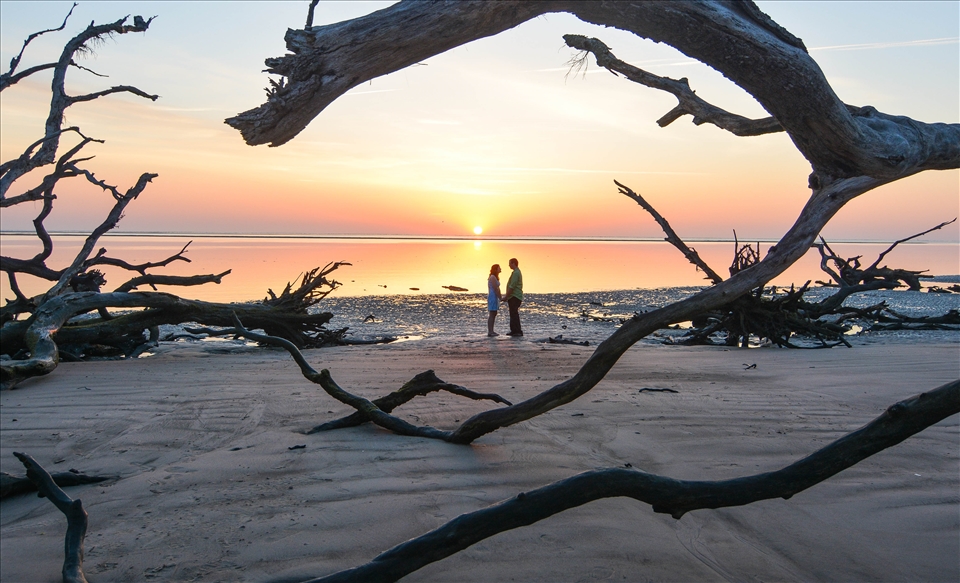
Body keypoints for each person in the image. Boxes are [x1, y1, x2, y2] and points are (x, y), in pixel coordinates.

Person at [504, 257, 523, 336]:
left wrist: (506, 296)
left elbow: (512, 286)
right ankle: (515, 330)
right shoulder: (516, 272)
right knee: (513, 313)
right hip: (514, 296)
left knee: (514, 313)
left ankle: (516, 331)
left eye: (510, 263)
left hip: (514, 296)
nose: (509, 265)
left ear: (513, 263)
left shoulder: (516, 273)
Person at [486, 264, 502, 337]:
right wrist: (500, 297)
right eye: (499, 268)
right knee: (492, 313)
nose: (500, 269)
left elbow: (498, 288)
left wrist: (500, 296)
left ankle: (492, 330)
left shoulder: (495, 277)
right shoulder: (492, 277)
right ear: (495, 269)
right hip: (492, 296)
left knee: (494, 313)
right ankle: (490, 331)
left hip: (495, 296)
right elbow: (495, 288)